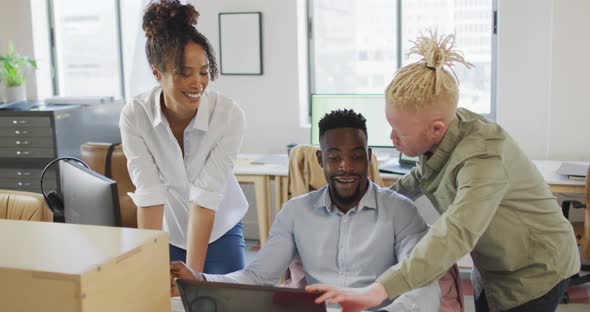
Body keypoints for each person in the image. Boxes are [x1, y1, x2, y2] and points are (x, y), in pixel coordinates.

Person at [307, 32, 580, 312]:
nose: (392, 138)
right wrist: (367, 205)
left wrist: (380, 290)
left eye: (399, 132)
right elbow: (417, 181)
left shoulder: (483, 157)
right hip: (494, 267)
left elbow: (456, 232)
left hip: (536, 270)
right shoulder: (445, 129)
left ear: (435, 129)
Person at [170, 109, 441, 311]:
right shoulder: (296, 213)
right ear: (320, 159)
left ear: (368, 157)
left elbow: (423, 286)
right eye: (334, 157)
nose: (346, 166)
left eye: (356, 156)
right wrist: (199, 277)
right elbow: (257, 276)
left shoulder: (401, 212)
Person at [119, 0, 248, 274]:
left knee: (220, 299)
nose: (197, 84)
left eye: (203, 72)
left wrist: (194, 277)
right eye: (184, 73)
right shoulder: (135, 116)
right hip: (169, 228)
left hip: (218, 228)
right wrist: (149, 266)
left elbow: (205, 198)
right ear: (157, 72)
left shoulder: (226, 115)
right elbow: (150, 194)